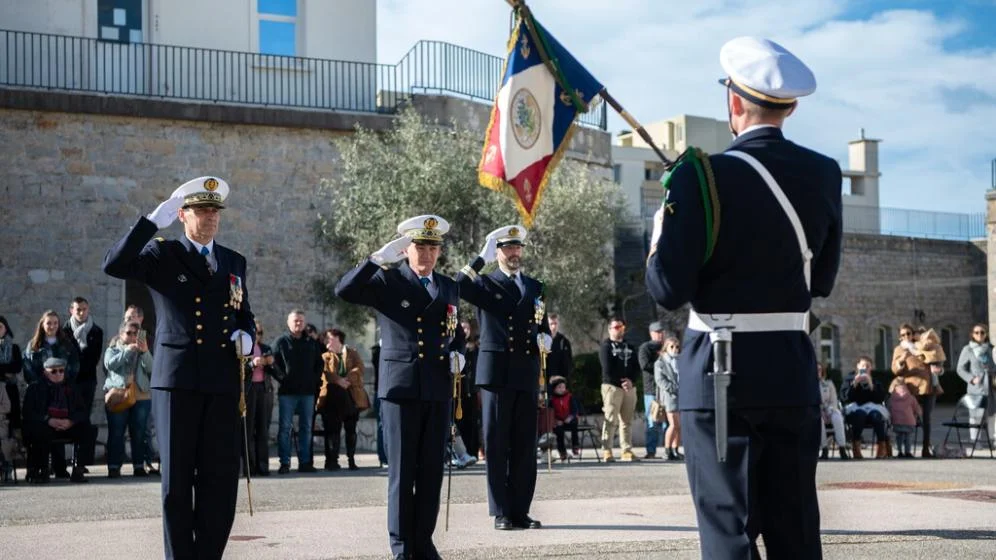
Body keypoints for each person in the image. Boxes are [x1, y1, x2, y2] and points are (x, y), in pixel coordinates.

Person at [645, 36, 843, 559]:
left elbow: (668, 288)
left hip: (720, 370)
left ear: (733, 102)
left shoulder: (699, 175)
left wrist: (661, 234)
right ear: (791, 106)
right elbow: (820, 281)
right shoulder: (824, 173)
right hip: (789, 366)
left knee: (728, 530)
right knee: (795, 530)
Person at [103, 176, 255, 560]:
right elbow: (114, 264)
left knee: (220, 480)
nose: (211, 217)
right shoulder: (162, 254)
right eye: (202, 210)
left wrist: (248, 336)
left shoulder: (234, 260)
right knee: (177, 481)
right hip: (178, 380)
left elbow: (243, 313)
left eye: (215, 211)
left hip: (222, 381)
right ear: (183, 215)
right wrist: (152, 222)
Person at [335, 214, 464, 560]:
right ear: (407, 248)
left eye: (433, 247)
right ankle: (402, 546)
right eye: (420, 246)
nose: (427, 253)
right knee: (403, 472)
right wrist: (376, 259)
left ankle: (424, 541)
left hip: (436, 387)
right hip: (401, 388)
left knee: (432, 471)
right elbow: (344, 290)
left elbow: (457, 332)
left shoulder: (448, 286)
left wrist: (459, 354)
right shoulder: (388, 281)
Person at [455, 224, 550, 531]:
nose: (513, 253)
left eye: (517, 248)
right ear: (497, 253)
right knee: (497, 444)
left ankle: (521, 509)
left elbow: (541, 323)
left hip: (525, 371)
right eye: (507, 248)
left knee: (524, 444)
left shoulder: (535, 286)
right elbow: (458, 286)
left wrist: (545, 337)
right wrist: (478, 259)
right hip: (496, 372)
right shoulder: (485, 283)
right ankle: (501, 511)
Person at [21, 357, 93, 484]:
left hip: (67, 424)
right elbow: (28, 412)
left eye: (61, 371)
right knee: (38, 431)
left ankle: (78, 469)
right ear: (45, 372)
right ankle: (42, 470)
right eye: (53, 371)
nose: (58, 374)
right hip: (46, 424)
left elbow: (82, 411)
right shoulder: (35, 387)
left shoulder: (71, 387)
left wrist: (71, 421)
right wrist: (47, 419)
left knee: (87, 429)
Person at [271, 309, 323, 474]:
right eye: (295, 321)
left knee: (306, 428)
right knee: (285, 428)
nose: (298, 323)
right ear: (288, 323)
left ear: (305, 323)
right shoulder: (280, 342)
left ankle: (305, 462)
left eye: (301, 321)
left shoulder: (311, 342)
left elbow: (319, 364)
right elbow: (272, 363)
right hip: (287, 393)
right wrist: (282, 378)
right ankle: (284, 463)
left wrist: (313, 380)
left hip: (307, 392)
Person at [103, 319, 154, 477]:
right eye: (129, 333)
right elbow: (109, 365)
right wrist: (127, 351)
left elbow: (152, 369)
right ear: (120, 334)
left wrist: (144, 351)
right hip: (119, 395)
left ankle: (139, 466)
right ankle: (113, 466)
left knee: (138, 432)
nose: (132, 336)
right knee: (117, 432)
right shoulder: (113, 348)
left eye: (135, 334)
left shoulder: (143, 348)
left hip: (141, 396)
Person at [317, 327, 370, 471]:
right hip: (332, 398)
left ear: (337, 338)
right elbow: (324, 373)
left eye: (329, 338)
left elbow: (359, 368)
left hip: (351, 395)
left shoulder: (352, 353)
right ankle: (332, 460)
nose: (327, 341)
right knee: (332, 429)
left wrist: (346, 379)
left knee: (351, 429)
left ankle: (351, 459)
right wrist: (338, 380)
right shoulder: (325, 356)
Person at [63, 296, 103, 471]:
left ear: (88, 309)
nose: (81, 312)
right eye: (78, 309)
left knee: (83, 418)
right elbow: (65, 356)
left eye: (84, 309)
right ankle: (61, 462)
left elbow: (93, 359)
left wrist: (78, 362)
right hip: (68, 381)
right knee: (66, 417)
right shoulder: (64, 330)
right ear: (71, 310)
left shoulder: (96, 331)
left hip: (87, 380)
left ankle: (80, 461)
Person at [891, 324, 938, 457]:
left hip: (928, 386)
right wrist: (901, 360)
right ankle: (905, 449)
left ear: (913, 334)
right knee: (907, 419)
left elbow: (935, 361)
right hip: (910, 389)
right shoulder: (899, 350)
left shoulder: (921, 346)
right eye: (903, 334)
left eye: (909, 333)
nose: (907, 336)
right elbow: (894, 370)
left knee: (927, 418)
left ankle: (925, 448)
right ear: (900, 337)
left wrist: (939, 370)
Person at [598, 317, 640, 462]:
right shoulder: (606, 347)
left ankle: (626, 450)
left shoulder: (630, 346)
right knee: (610, 419)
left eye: (621, 327)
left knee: (626, 421)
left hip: (629, 388)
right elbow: (607, 368)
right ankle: (607, 451)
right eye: (616, 327)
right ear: (610, 329)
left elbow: (636, 367)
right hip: (612, 387)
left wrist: (631, 381)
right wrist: (621, 382)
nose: (619, 329)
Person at [244, 319, 276, 476]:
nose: (258, 335)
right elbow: (239, 369)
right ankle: (249, 466)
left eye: (260, 333)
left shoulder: (266, 348)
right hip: (249, 391)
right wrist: (252, 364)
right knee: (248, 429)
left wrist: (270, 363)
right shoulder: (244, 349)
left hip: (264, 390)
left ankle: (263, 467)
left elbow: (277, 372)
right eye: (255, 332)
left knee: (263, 429)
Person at [956, 324, 996, 447]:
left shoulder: (991, 349)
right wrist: (971, 379)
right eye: (977, 332)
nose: (979, 335)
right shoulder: (967, 349)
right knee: (975, 416)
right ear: (972, 334)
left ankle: (992, 441)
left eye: (982, 332)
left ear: (986, 334)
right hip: (976, 387)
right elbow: (960, 369)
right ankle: (975, 441)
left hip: (991, 387)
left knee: (991, 415)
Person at [843, 357, 889, 459]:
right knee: (860, 414)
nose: (865, 368)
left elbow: (880, 398)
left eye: (867, 366)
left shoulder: (875, 381)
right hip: (855, 410)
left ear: (871, 368)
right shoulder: (849, 379)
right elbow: (845, 398)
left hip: (872, 409)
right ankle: (856, 447)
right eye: (863, 366)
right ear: (858, 366)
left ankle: (881, 447)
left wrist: (871, 385)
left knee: (877, 416)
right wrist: (854, 384)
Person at [638, 321, 668, 459]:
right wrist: (661, 363)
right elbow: (645, 365)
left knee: (669, 423)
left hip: (667, 390)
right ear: (651, 333)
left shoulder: (668, 346)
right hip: (652, 390)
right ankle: (651, 451)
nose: (660, 335)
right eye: (657, 332)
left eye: (662, 332)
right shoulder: (646, 348)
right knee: (652, 421)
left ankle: (670, 450)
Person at [654, 336, 682, 461]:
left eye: (677, 347)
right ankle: (667, 450)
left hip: (681, 396)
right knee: (673, 424)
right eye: (672, 346)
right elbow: (660, 381)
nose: (675, 349)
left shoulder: (679, 361)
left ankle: (675, 450)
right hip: (670, 396)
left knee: (679, 426)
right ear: (666, 347)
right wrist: (674, 388)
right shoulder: (660, 362)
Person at [817, 363, 849, 460]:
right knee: (819, 420)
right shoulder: (807, 385)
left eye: (819, 370)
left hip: (829, 410)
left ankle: (842, 448)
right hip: (816, 412)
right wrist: (820, 412)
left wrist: (829, 411)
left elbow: (834, 401)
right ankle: (824, 449)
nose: (817, 372)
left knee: (837, 416)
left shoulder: (828, 384)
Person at [548, 376, 581, 461]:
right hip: (559, 422)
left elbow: (575, 410)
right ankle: (562, 452)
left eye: (563, 387)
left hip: (569, 420)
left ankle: (575, 446)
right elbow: (551, 412)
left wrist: (570, 417)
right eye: (559, 387)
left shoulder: (569, 397)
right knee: (559, 432)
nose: (562, 389)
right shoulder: (552, 399)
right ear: (554, 389)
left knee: (574, 423)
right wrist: (556, 421)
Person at [887, 380, 922, 458]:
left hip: (897, 421)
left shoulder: (891, 398)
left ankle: (900, 452)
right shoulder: (911, 397)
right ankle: (908, 452)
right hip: (909, 421)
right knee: (908, 436)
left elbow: (888, 409)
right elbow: (917, 409)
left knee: (899, 436)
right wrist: (917, 415)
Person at [545, 313, 574, 384]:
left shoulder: (564, 342)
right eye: (551, 324)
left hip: (561, 383)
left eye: (555, 323)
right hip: (546, 382)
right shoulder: (543, 341)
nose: (553, 326)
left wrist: (563, 378)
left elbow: (568, 362)